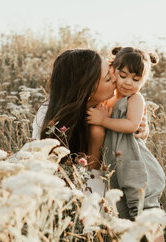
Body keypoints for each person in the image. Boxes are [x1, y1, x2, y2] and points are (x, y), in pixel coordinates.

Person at [32, 49, 149, 195]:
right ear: (87, 89)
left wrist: (141, 129)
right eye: (107, 78)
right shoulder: (48, 116)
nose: (115, 79)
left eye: (112, 71)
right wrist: (97, 138)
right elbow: (89, 181)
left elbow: (132, 126)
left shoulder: (109, 107)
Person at [86, 47, 166, 222]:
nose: (129, 83)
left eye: (136, 79)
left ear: (143, 81)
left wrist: (103, 121)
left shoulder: (135, 99)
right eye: (123, 76)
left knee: (144, 210)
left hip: (133, 160)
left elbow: (131, 125)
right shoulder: (108, 98)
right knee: (122, 212)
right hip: (116, 164)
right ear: (113, 70)